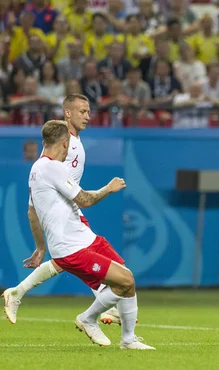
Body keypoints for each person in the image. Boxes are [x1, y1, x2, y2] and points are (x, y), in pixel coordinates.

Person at [23, 120, 153, 349]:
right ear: (65, 143)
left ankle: (128, 339)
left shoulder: (36, 169)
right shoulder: (52, 168)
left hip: (82, 237)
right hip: (70, 248)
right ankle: (88, 318)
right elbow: (84, 200)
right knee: (126, 281)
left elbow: (31, 213)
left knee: (126, 280)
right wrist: (108, 188)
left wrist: (40, 247)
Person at [3, 94, 122, 326]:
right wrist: (107, 189)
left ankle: (17, 292)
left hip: (66, 212)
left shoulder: (59, 144)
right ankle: (103, 309)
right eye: (82, 112)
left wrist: (40, 245)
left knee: (66, 260)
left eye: (88, 112)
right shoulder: (68, 145)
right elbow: (59, 191)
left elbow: (35, 201)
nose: (88, 116)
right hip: (66, 212)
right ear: (67, 113)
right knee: (78, 257)